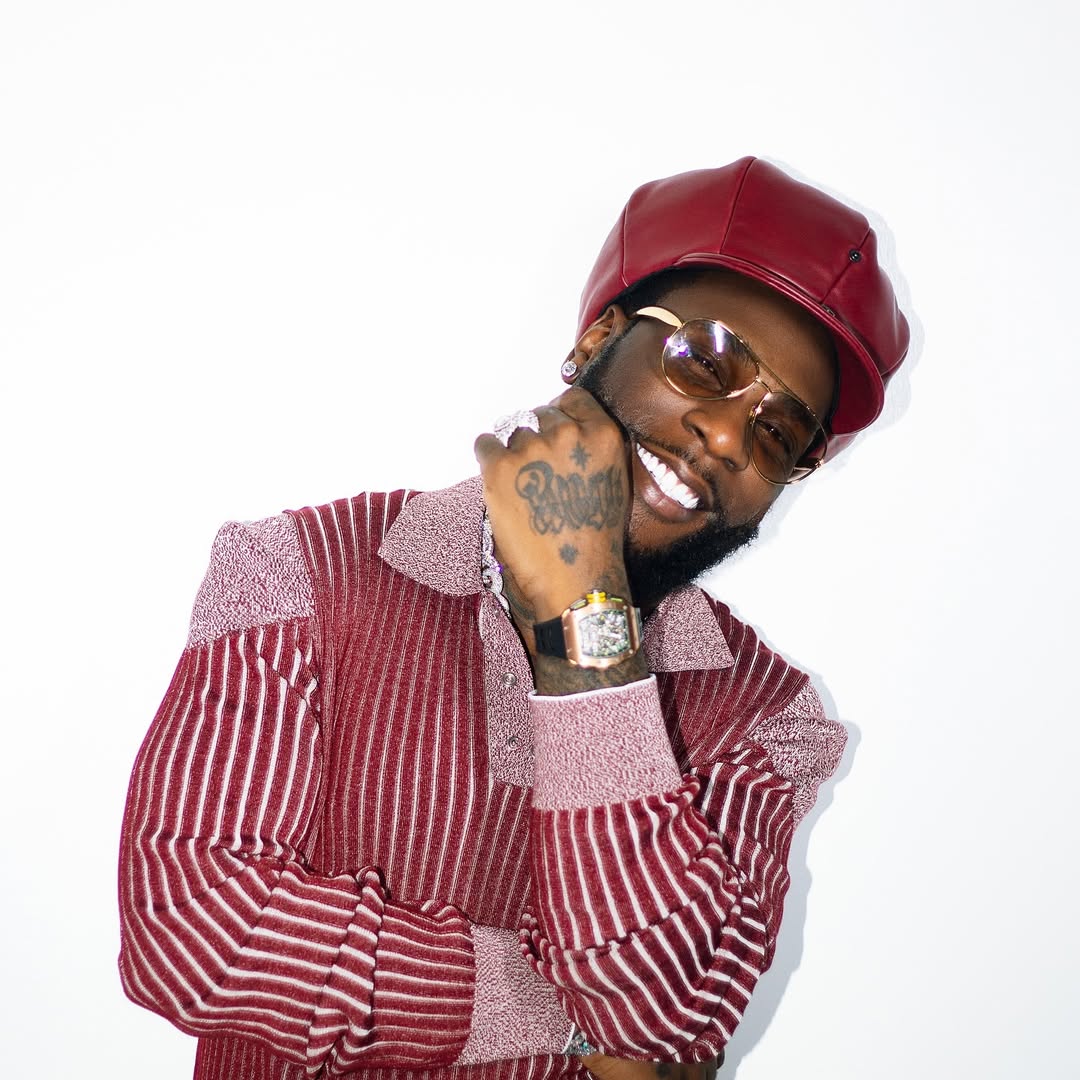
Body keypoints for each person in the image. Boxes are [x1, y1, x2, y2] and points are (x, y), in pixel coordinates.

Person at [118, 156, 909, 1080]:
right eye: (706, 361)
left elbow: (666, 1015)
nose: (729, 437)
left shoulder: (772, 720)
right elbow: (188, 933)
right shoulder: (297, 571)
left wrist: (583, 619)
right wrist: (558, 1012)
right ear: (599, 338)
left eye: (779, 432)